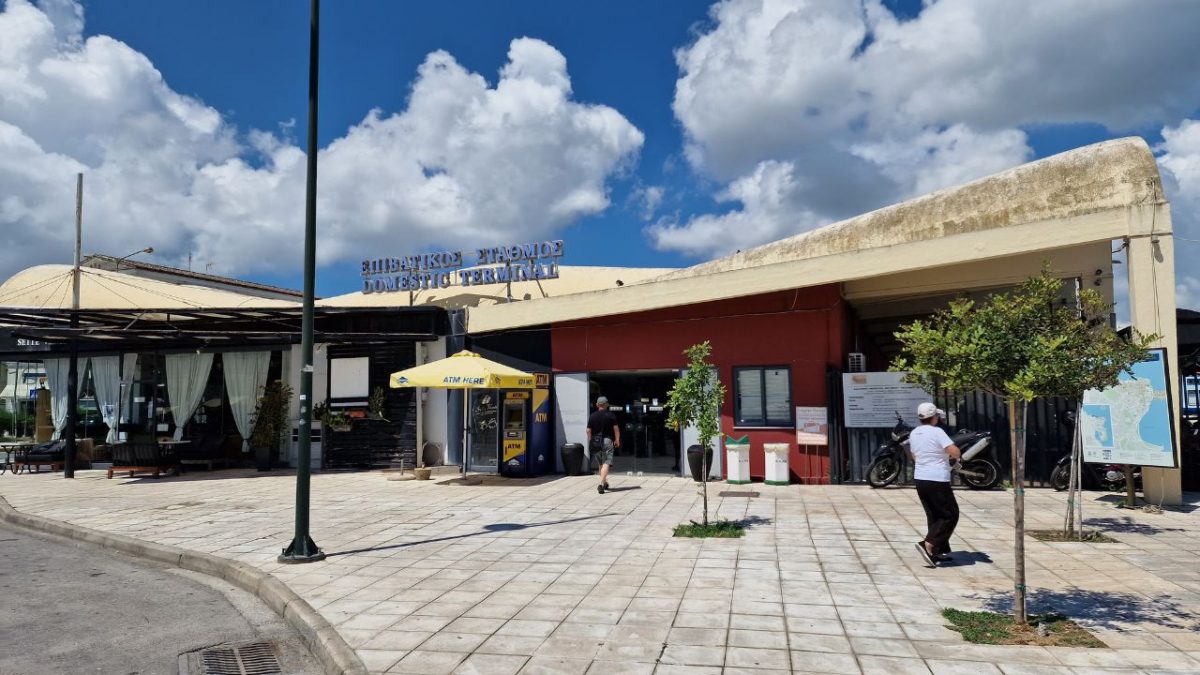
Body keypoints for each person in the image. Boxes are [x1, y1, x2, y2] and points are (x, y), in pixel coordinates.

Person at [910, 402, 961, 567]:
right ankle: (928, 544)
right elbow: (954, 451)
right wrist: (949, 456)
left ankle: (937, 551)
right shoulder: (937, 431)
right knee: (950, 514)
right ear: (933, 417)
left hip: (920, 477)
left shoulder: (914, 433)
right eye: (937, 416)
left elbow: (914, 456)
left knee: (934, 514)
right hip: (937, 478)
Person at [586, 396, 620, 494]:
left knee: (601, 463)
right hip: (607, 441)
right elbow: (616, 429)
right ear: (607, 405)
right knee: (607, 462)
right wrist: (617, 440)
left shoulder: (592, 416)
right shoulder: (611, 415)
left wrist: (591, 440)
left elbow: (588, 430)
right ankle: (601, 484)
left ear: (597, 405)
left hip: (596, 441)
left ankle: (605, 483)